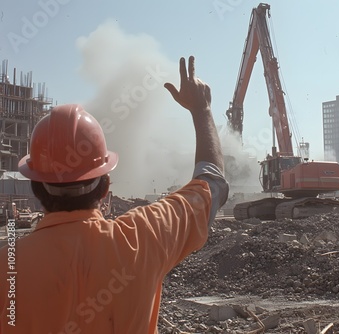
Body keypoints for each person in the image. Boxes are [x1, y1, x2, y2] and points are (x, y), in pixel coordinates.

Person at [0, 56, 228, 333]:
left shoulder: (9, 267)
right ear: (106, 186)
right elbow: (211, 182)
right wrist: (201, 110)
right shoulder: (143, 238)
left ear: (36, 187)